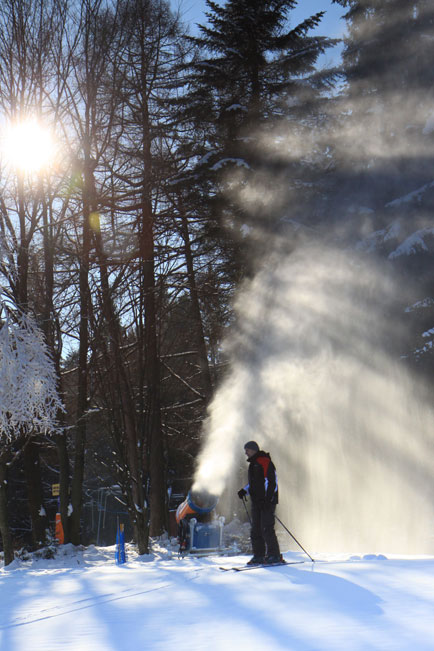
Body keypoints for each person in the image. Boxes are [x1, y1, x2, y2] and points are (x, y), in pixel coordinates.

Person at [237, 441, 282, 565]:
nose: (245, 453)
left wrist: (267, 500)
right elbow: (255, 483)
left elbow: (272, 482)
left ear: (253, 450)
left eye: (247, 450)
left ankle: (274, 555)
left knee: (267, 527)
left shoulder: (264, 461)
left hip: (267, 502)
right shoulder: (253, 464)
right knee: (255, 529)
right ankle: (259, 555)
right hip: (257, 502)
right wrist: (244, 491)